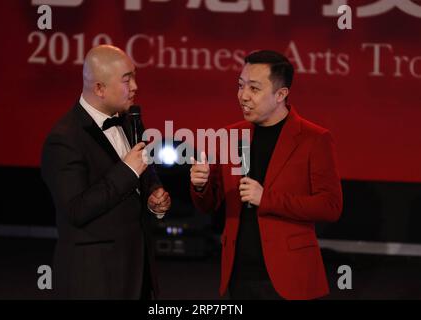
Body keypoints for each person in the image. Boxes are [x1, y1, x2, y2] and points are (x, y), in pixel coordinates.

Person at [190, 50, 342, 300]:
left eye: (254, 89)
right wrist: (200, 185)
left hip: (290, 277)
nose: (243, 96)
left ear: (281, 94)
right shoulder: (231, 135)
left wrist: (267, 198)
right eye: (240, 86)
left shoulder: (314, 139)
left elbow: (330, 207)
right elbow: (209, 204)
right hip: (238, 276)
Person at [41, 45, 171, 299]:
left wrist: (154, 195)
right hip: (95, 279)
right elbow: (77, 210)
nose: (135, 86)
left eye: (134, 76)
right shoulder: (64, 139)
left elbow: (144, 172)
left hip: (136, 271)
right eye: (127, 80)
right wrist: (126, 172)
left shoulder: (130, 120)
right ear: (99, 88)